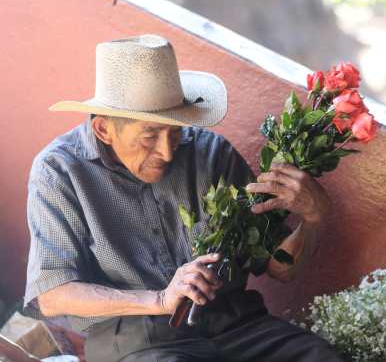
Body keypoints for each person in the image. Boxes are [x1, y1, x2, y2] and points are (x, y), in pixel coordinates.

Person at [23, 34, 344, 362]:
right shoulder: (59, 171)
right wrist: (160, 299)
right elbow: (52, 295)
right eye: (150, 135)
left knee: (319, 356)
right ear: (104, 129)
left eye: (175, 131)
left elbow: (280, 268)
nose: (165, 150)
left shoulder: (211, 153)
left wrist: (313, 219)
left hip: (237, 325)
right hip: (141, 343)